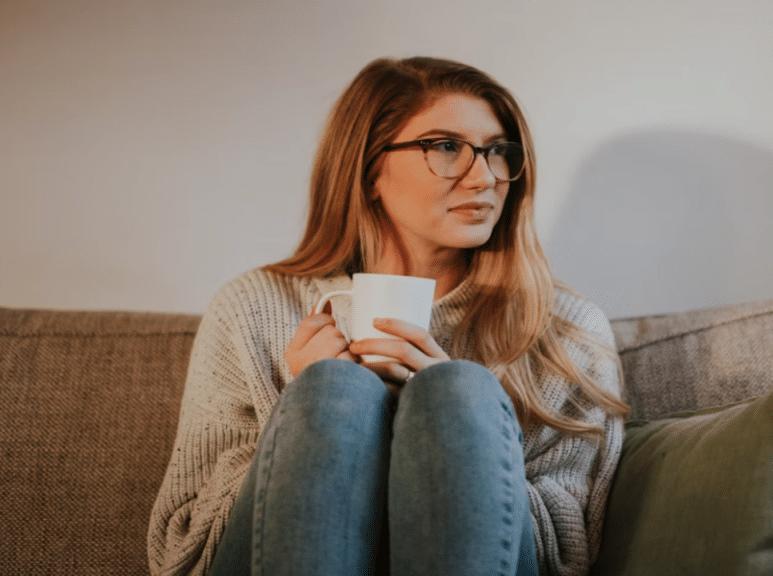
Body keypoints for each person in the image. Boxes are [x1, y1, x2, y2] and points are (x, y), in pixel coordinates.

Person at [147, 56, 629, 576]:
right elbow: (182, 551)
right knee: (333, 391)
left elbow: (567, 554)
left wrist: (455, 435)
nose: (484, 176)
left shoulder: (563, 329)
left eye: (497, 152)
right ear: (370, 169)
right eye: (447, 147)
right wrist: (307, 421)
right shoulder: (254, 308)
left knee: (456, 392)